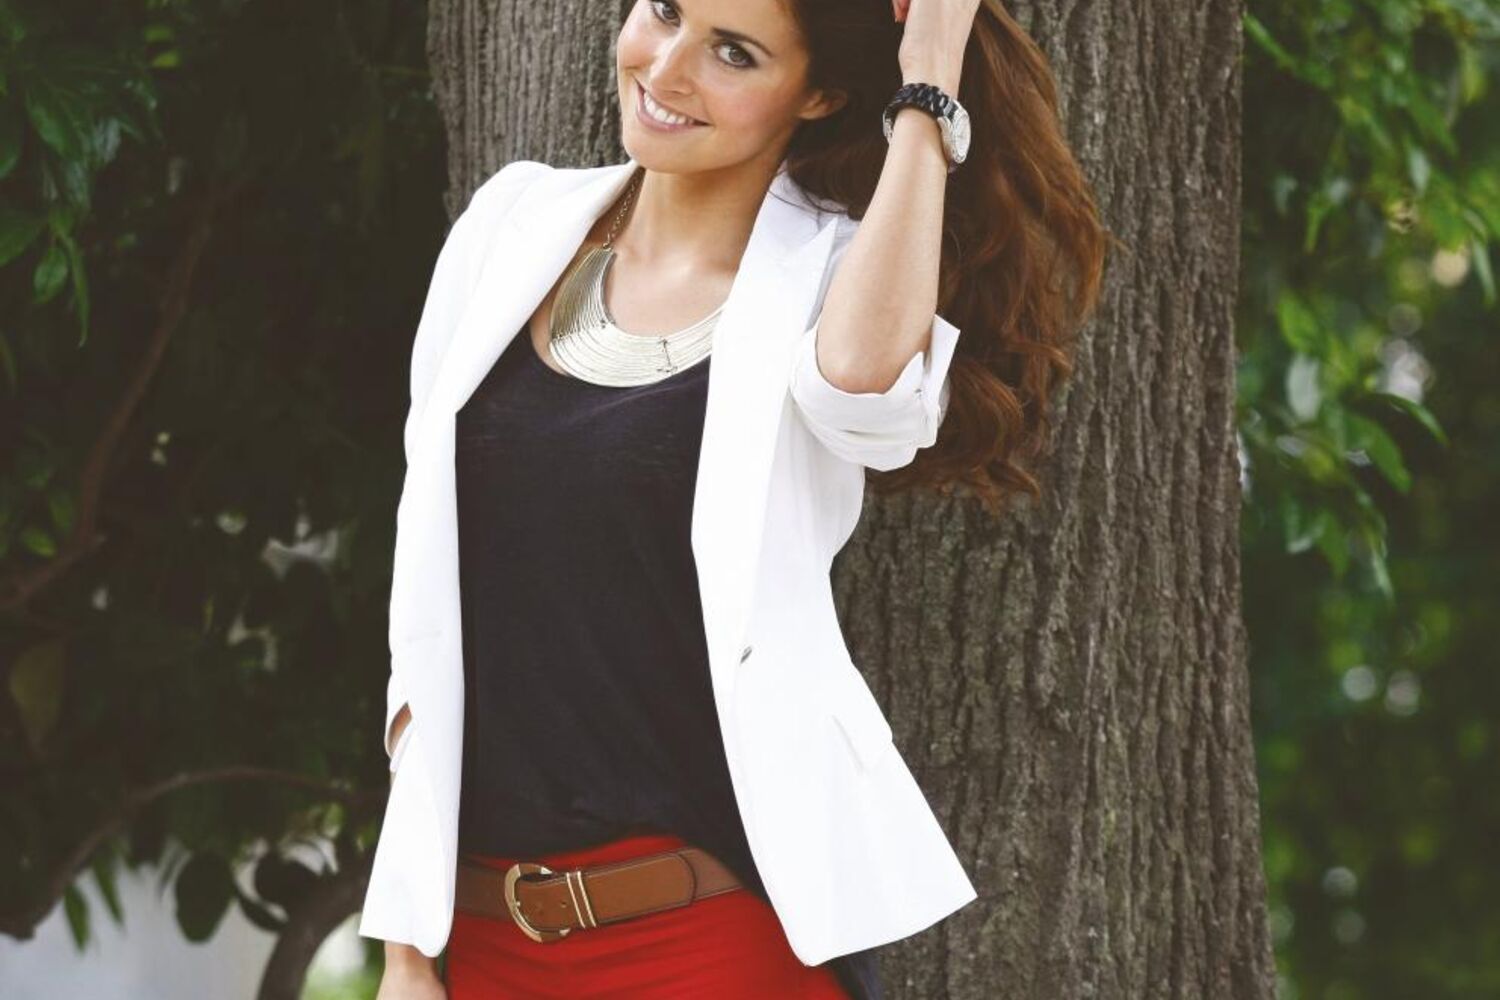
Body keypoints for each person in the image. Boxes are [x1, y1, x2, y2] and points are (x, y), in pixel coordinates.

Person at [368, 0, 1106, 996]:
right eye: (665, 11)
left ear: (819, 94)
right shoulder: (509, 227)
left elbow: (863, 391)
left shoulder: (837, 274)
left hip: (711, 936)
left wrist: (929, 74)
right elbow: (423, 613)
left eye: (733, 52)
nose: (668, 68)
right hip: (491, 938)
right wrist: (406, 951)